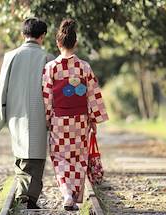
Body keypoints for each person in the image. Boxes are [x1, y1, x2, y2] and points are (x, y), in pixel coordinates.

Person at [42, 19, 109, 211]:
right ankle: (73, 193)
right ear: (75, 43)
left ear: (58, 43)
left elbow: (47, 96)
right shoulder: (84, 67)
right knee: (79, 157)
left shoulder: (51, 67)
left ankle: (67, 194)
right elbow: (93, 94)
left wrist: (47, 118)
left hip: (59, 119)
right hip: (80, 119)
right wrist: (94, 118)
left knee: (59, 156)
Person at [0, 17, 53, 209]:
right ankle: (29, 198)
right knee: (37, 157)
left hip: (16, 112)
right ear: (43, 35)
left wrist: (1, 115)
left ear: (23, 34)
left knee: (20, 153)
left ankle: (23, 195)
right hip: (40, 112)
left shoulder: (10, 56)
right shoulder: (48, 58)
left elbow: (1, 88)